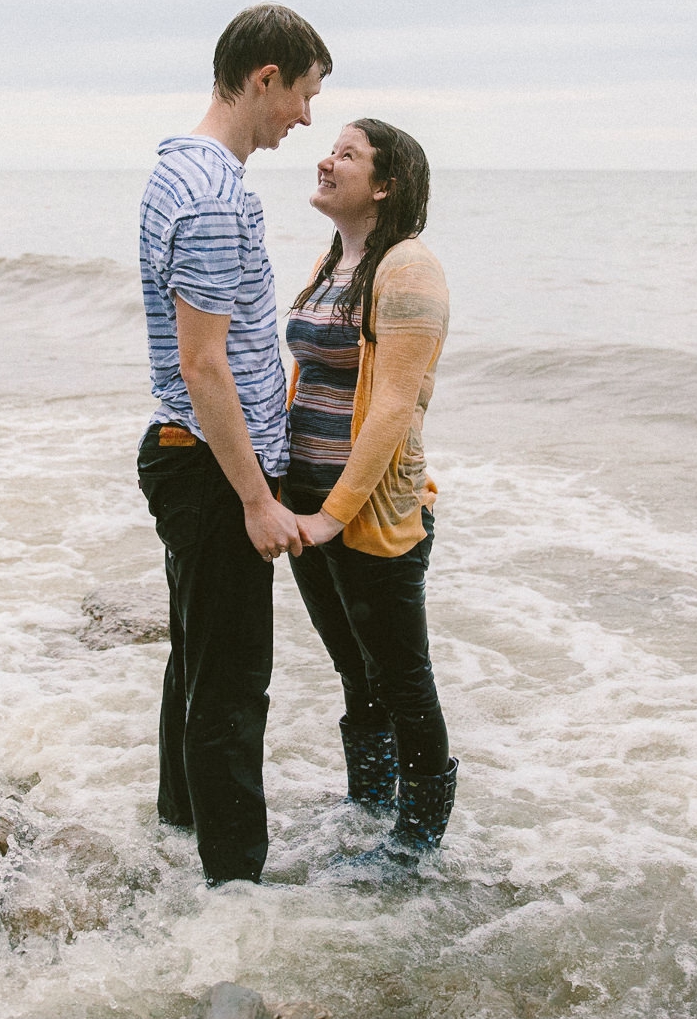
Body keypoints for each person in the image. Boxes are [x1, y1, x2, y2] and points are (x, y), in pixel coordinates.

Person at [136, 3, 331, 885]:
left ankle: (180, 831)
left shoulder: (177, 172)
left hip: (192, 457)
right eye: (303, 93)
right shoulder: (215, 196)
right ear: (264, 80)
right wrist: (257, 495)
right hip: (215, 469)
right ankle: (235, 892)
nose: (307, 116)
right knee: (232, 684)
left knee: (197, 658)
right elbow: (203, 361)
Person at [284, 118, 456, 866]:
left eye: (347, 155)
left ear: (384, 185)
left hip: (370, 514)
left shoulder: (408, 266)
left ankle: (416, 844)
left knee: (401, 675)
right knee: (356, 670)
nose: (326, 160)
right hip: (308, 503)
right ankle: (367, 808)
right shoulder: (334, 260)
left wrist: (332, 516)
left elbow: (391, 407)